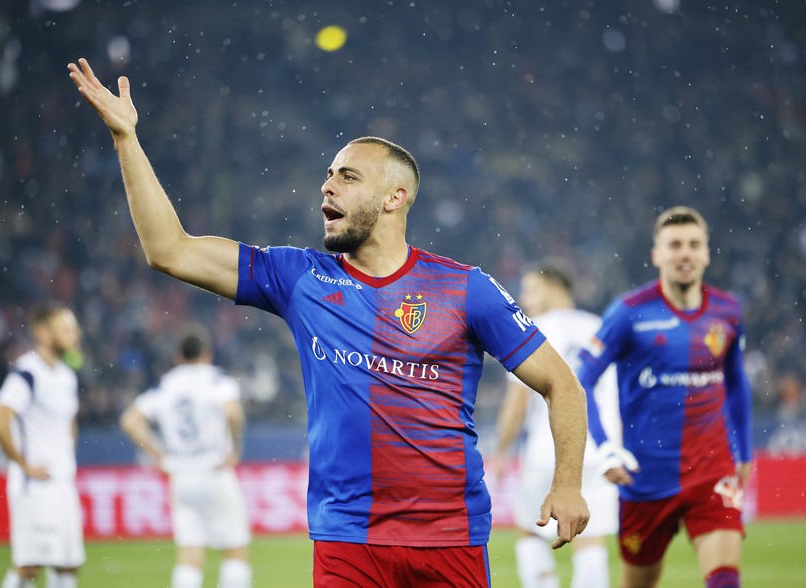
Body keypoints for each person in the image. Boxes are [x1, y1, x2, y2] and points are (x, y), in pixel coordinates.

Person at [68, 57, 590, 587]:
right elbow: (170, 250)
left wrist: (567, 482)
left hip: (449, 538)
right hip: (347, 540)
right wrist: (125, 140)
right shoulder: (300, 278)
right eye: (327, 174)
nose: (327, 186)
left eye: (347, 176)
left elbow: (560, 383)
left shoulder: (464, 288)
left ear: (394, 198)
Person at [577, 206, 753, 588]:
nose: (684, 253)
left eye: (693, 244)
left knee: (726, 581)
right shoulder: (629, 312)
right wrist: (605, 447)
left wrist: (745, 451)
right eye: (674, 245)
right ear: (657, 254)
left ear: (707, 253)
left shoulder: (728, 310)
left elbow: (737, 382)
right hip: (644, 476)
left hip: (712, 470)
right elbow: (581, 379)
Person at [491, 259, 619, 588]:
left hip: (550, 451)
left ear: (556, 289)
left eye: (532, 288)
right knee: (591, 540)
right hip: (599, 451)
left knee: (529, 531)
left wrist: (502, 450)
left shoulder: (532, 328)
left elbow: (517, 404)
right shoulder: (599, 326)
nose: (525, 297)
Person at [120, 324, 252, 588]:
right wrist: (234, 448)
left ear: (178, 356)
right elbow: (234, 414)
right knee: (234, 551)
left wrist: (160, 454)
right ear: (207, 354)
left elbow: (130, 421)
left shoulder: (166, 384)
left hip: (182, 477)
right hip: (213, 470)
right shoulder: (217, 379)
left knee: (190, 554)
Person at [0, 304, 85, 588]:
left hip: (62, 483)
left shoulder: (67, 376)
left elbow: (70, 423)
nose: (74, 335)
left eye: (74, 328)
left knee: (68, 566)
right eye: (66, 329)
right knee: (29, 566)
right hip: (36, 486)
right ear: (43, 333)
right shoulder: (28, 373)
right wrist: (23, 465)